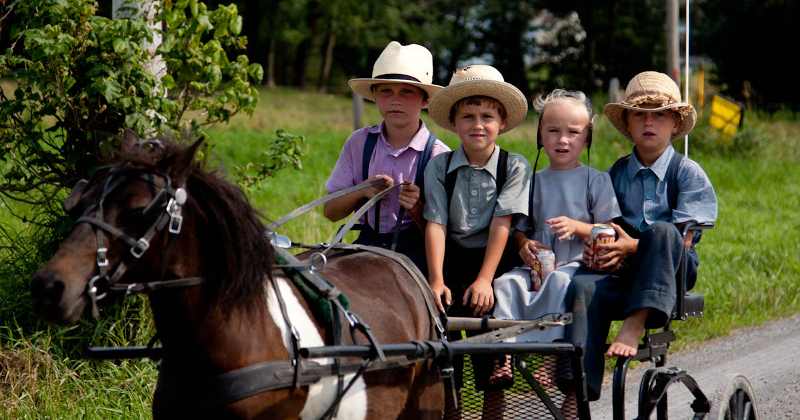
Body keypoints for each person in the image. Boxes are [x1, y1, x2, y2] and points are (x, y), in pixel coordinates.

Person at [572, 71, 718, 401]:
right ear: (628, 123)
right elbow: (604, 222)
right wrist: (605, 242)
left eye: (660, 115)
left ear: (675, 124)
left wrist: (632, 246)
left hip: (673, 269)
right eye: (640, 114)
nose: (649, 122)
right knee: (582, 286)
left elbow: (684, 239)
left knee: (663, 231)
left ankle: (636, 321)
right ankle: (580, 386)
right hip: (623, 272)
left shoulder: (686, 171)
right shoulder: (618, 172)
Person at [423, 64, 531, 417]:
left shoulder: (513, 166)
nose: (478, 124)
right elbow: (436, 223)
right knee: (446, 346)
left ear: (501, 123)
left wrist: (485, 279)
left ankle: (493, 406)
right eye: (468, 116)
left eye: (487, 116)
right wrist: (436, 279)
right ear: (454, 123)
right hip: (450, 258)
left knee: (489, 340)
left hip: (494, 259)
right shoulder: (439, 167)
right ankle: (451, 411)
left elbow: (503, 222)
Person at [492, 89, 621, 344]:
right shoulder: (532, 180)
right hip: (538, 264)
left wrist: (578, 227)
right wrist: (522, 243)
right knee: (506, 284)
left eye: (573, 132)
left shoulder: (596, 180)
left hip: (577, 262)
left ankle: (550, 353)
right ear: (540, 135)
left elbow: (609, 229)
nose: (563, 140)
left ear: (587, 138)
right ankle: (505, 350)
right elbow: (520, 227)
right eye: (553, 131)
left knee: (560, 282)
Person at [324, 41, 449, 274]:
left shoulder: (438, 155)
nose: (395, 100)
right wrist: (361, 191)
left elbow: (446, 235)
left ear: (425, 100)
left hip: (417, 255)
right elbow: (331, 212)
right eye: (386, 91)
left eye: (406, 92)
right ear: (374, 96)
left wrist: (417, 209)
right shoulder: (359, 143)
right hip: (365, 245)